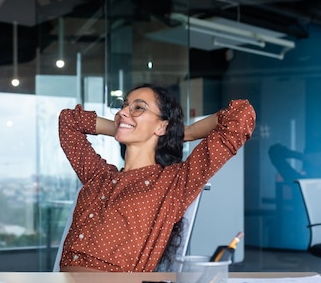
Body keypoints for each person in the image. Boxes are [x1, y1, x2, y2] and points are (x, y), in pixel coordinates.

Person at [57, 83, 256, 272]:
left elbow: (241, 115)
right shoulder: (99, 176)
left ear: (162, 126)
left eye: (138, 108)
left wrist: (181, 132)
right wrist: (124, 125)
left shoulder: (173, 182)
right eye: (124, 106)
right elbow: (69, 121)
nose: (123, 111)